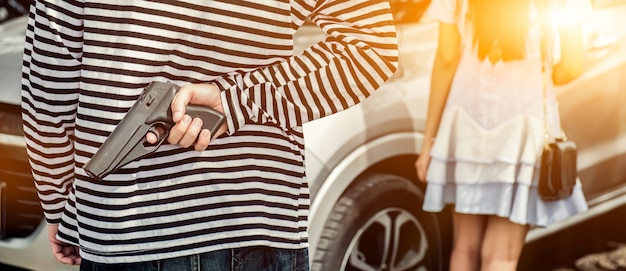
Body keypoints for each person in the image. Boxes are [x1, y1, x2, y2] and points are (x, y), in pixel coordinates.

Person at [20, 0, 398, 270]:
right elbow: (369, 50)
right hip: (249, 221)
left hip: (121, 230)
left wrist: (60, 209)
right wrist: (234, 99)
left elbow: (47, 104)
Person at [415, 0, 591, 270]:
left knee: (464, 248)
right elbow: (572, 66)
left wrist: (429, 143)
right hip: (522, 129)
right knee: (500, 255)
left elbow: (446, 58)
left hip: (466, 125)